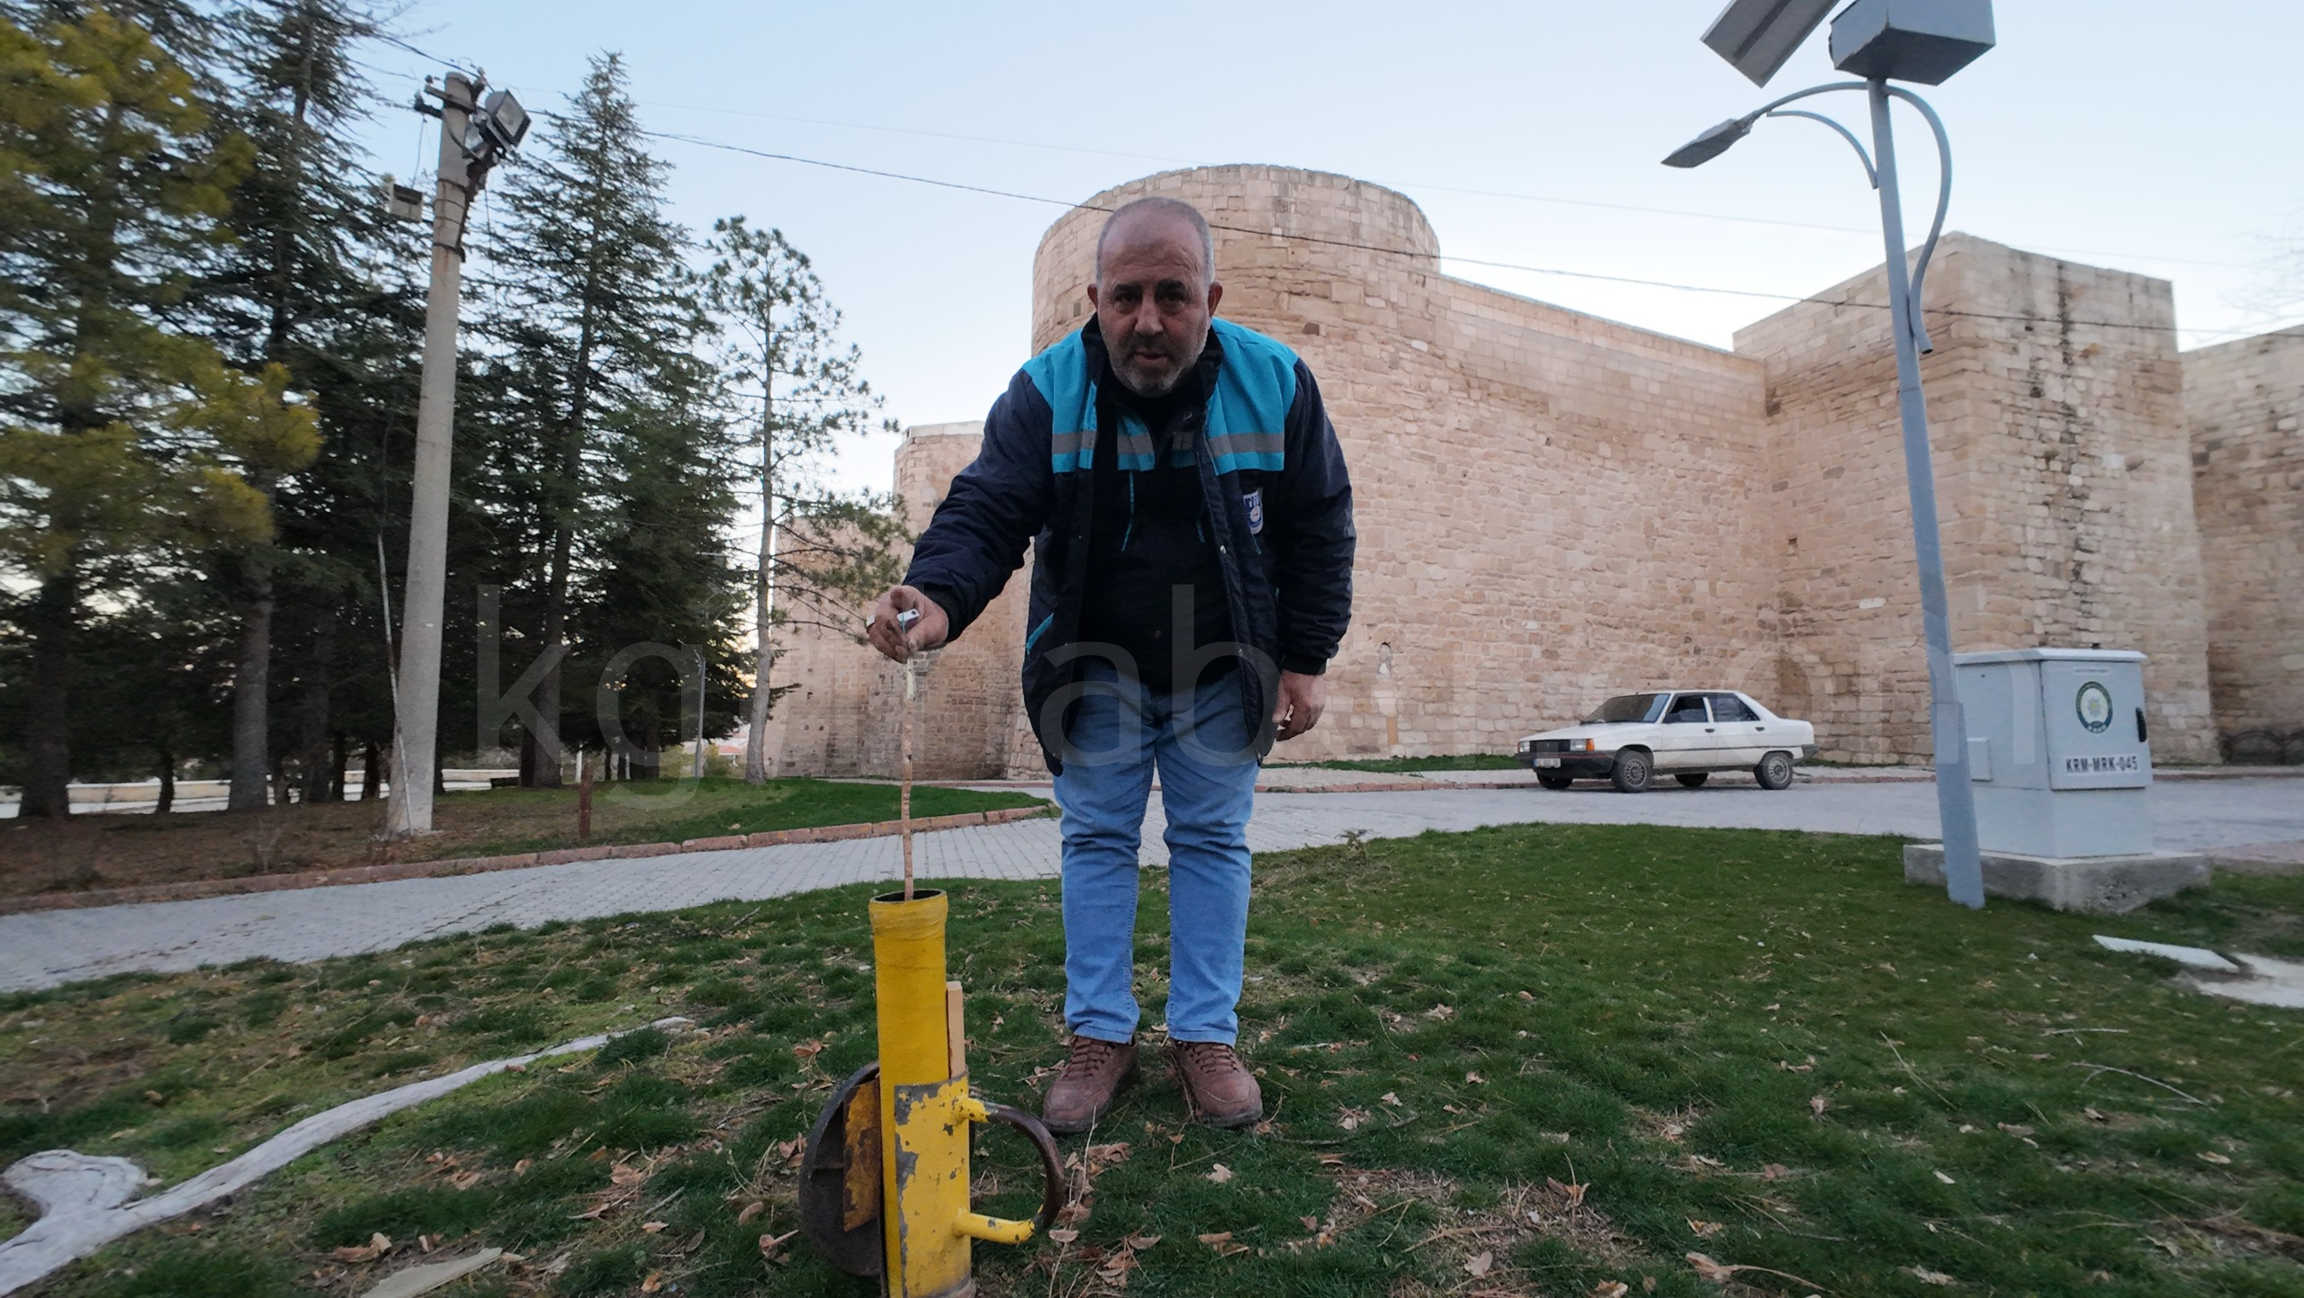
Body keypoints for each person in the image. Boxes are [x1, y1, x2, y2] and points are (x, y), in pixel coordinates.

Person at [867, 196, 1354, 1133]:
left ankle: (1205, 1037)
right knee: (1095, 842)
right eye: (1125, 297)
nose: (1148, 321)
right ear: (1094, 297)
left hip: (1224, 664)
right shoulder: (1048, 391)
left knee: (1212, 842)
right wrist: (935, 593)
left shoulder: (1277, 382)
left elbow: (1319, 523)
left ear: (1211, 296)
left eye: (1173, 296)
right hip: (1094, 668)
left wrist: (1305, 657)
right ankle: (1100, 1036)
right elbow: (987, 510)